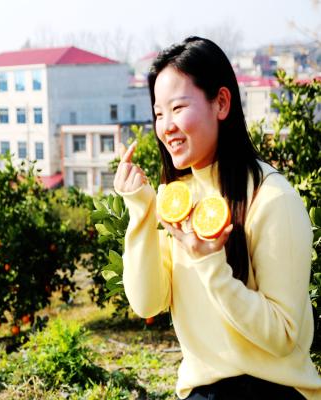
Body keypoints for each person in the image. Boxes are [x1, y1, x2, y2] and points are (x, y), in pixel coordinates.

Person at [114, 36, 321, 400]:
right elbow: (147, 302)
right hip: (201, 391)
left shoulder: (272, 198)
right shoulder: (177, 199)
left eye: (178, 108)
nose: (166, 126)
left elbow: (283, 335)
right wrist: (141, 210)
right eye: (159, 113)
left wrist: (211, 263)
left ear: (221, 103)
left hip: (274, 390)